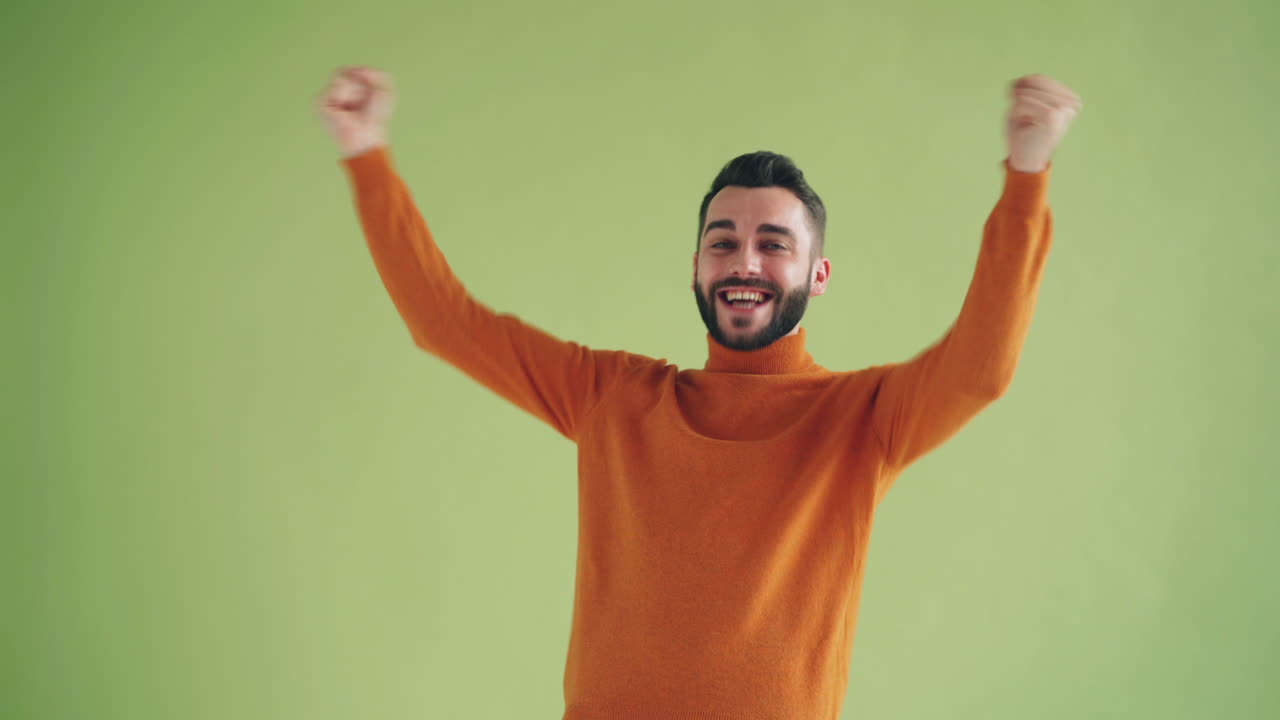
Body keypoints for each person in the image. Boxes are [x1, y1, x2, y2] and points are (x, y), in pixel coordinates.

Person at [315, 67, 1081, 719]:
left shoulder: (862, 418)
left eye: (773, 244)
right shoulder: (612, 395)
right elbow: (446, 323)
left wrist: (1027, 174)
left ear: (817, 276)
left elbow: (981, 367)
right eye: (723, 242)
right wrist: (365, 153)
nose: (744, 261)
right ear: (695, 269)